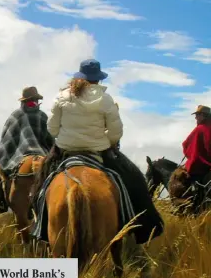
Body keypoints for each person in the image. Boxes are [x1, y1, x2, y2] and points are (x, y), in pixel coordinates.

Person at [46, 58, 164, 244]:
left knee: (40, 183)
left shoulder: (62, 96)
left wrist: (67, 136)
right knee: (134, 180)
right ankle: (141, 226)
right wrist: (103, 142)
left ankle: (38, 225)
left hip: (66, 151)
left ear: (79, 76)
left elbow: (52, 129)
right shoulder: (106, 99)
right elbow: (116, 132)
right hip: (98, 152)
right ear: (98, 79)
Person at [0, 86, 54, 213]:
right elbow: (49, 140)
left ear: (23, 101)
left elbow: (6, 141)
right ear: (36, 100)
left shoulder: (15, 115)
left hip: (18, 155)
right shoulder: (42, 116)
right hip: (42, 153)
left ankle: (1, 203)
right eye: (35, 101)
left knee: (1, 165)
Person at [182, 105, 211, 184]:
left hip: (203, 167)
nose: (195, 118)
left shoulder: (200, 129)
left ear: (203, 115)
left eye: (197, 115)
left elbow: (186, 144)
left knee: (184, 180)